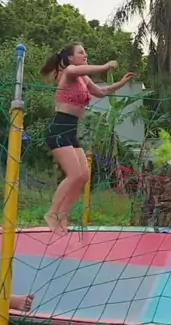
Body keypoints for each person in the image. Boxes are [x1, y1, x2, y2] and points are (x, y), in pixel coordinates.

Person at [41, 43, 135, 234]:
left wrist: (122, 82)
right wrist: (105, 66)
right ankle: (51, 213)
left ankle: (63, 216)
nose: (85, 55)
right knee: (74, 174)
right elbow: (81, 69)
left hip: (71, 132)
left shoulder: (83, 78)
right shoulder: (69, 72)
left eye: (85, 52)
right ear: (70, 58)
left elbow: (102, 92)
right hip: (59, 129)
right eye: (81, 52)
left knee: (83, 176)